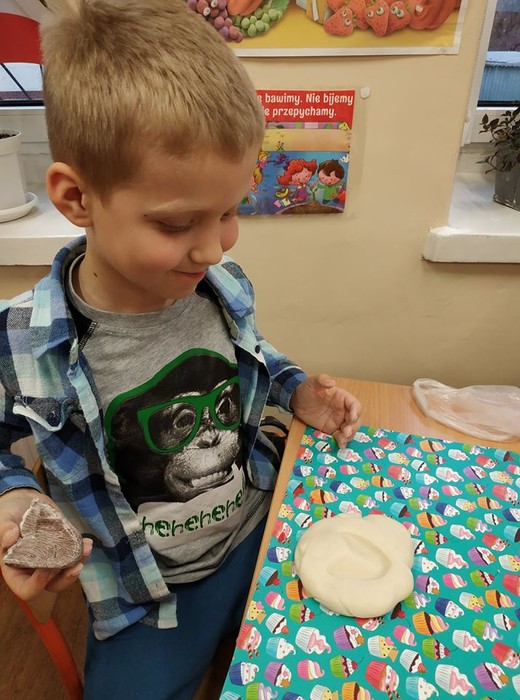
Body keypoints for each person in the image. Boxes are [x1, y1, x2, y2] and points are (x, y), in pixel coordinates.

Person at [0, 1, 361, 698]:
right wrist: (13, 496)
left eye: (228, 212)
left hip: (257, 533)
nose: (212, 249)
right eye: (176, 225)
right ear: (77, 197)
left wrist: (294, 388)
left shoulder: (219, 287)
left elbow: (249, 357)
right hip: (148, 594)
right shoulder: (20, 340)